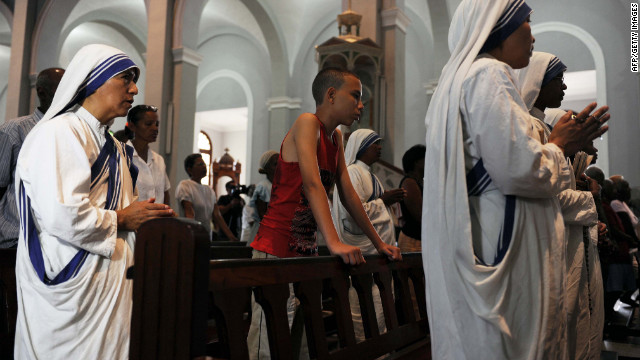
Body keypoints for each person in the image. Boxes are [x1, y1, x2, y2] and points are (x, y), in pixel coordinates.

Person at [423, 0, 610, 358]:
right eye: (526, 22)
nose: (532, 34)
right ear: (499, 27)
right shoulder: (488, 74)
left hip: (493, 237)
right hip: (505, 248)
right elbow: (521, 170)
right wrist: (559, 145)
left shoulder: (463, 79)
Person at [14, 44, 174, 359]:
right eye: (125, 78)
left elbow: (131, 207)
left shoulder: (115, 146)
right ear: (94, 79)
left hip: (111, 282)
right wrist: (124, 219)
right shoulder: (60, 133)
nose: (134, 88)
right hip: (70, 290)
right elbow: (62, 214)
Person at [248, 68, 402, 359]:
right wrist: (334, 243)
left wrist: (379, 243)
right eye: (355, 96)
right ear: (331, 94)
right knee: (267, 346)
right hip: (275, 251)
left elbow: (349, 194)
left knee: (299, 343)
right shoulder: (308, 123)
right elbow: (312, 182)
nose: (361, 104)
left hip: (304, 254)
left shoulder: (337, 138)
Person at [517, 52, 603, 359]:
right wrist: (588, 200)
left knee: (573, 316)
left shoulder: (542, 126)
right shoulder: (531, 127)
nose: (564, 88)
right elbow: (544, 190)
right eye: (558, 80)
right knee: (560, 318)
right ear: (537, 82)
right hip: (549, 239)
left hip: (564, 237)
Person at [331, 128, 404, 342]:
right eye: (376, 144)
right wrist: (384, 201)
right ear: (362, 147)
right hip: (364, 256)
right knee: (366, 315)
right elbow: (351, 213)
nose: (380, 148)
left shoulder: (369, 175)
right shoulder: (353, 172)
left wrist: (386, 202)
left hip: (378, 256)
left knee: (381, 313)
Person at [0, 68, 65, 249]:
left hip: (56, 244)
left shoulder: (70, 133)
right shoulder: (15, 130)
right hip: (16, 240)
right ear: (41, 93)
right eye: (61, 89)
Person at [175, 153, 238, 241]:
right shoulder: (185, 185)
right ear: (189, 170)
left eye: (204, 164)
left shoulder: (209, 190)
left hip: (206, 237)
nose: (204, 166)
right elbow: (189, 213)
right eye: (200, 164)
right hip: (190, 237)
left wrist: (231, 236)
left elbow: (217, 215)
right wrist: (193, 236)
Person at [124, 104, 171, 206]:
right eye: (148, 124)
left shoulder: (159, 160)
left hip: (158, 221)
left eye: (157, 124)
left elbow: (165, 193)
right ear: (132, 126)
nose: (155, 128)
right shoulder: (122, 156)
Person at [240, 150, 278, 245]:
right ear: (267, 168)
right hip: (265, 232)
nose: (279, 167)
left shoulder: (281, 186)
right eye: (275, 164)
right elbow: (263, 215)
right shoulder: (263, 187)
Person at [398, 144, 425, 252]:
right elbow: (419, 215)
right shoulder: (409, 183)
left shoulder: (418, 182)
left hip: (419, 239)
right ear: (417, 162)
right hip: (413, 241)